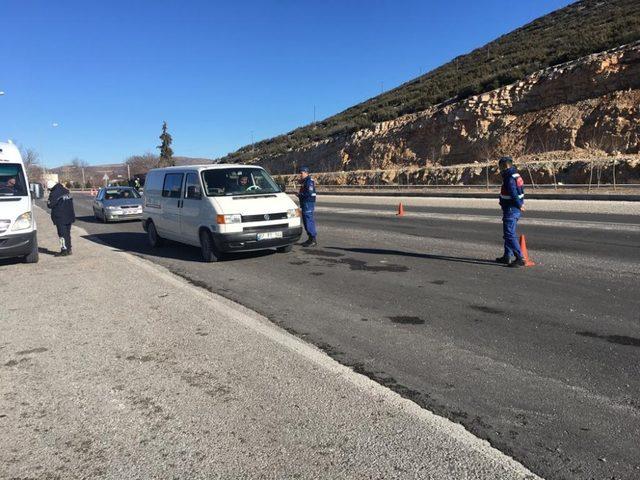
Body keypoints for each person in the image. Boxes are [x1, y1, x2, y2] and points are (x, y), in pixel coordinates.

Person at [495, 156, 526, 268]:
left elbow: (513, 193)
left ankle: (520, 258)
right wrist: (521, 203)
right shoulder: (516, 175)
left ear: (505, 166)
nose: (500, 169)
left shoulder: (509, 177)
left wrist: (519, 205)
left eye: (500, 167)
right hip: (513, 208)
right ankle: (507, 256)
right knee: (508, 234)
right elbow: (521, 191)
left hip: (511, 209)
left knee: (509, 234)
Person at [46, 180, 76, 257]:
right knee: (67, 234)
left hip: (60, 217)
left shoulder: (54, 193)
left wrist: (48, 200)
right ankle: (69, 249)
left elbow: (50, 205)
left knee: (62, 235)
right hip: (69, 215)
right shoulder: (65, 190)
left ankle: (64, 250)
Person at [297, 166, 317, 247]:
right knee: (306, 221)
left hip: (308, 203)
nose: (300, 175)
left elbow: (310, 193)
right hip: (305, 203)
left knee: (308, 221)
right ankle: (310, 239)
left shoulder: (309, 181)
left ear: (306, 172)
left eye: (301, 173)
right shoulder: (305, 181)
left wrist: (300, 194)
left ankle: (313, 239)